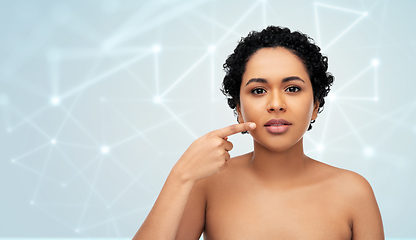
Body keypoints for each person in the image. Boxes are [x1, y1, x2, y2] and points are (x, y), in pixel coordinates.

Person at [133, 26, 384, 239]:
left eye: (293, 88)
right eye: (258, 90)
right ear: (239, 109)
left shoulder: (354, 192)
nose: (275, 104)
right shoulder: (207, 185)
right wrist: (182, 175)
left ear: (316, 105)